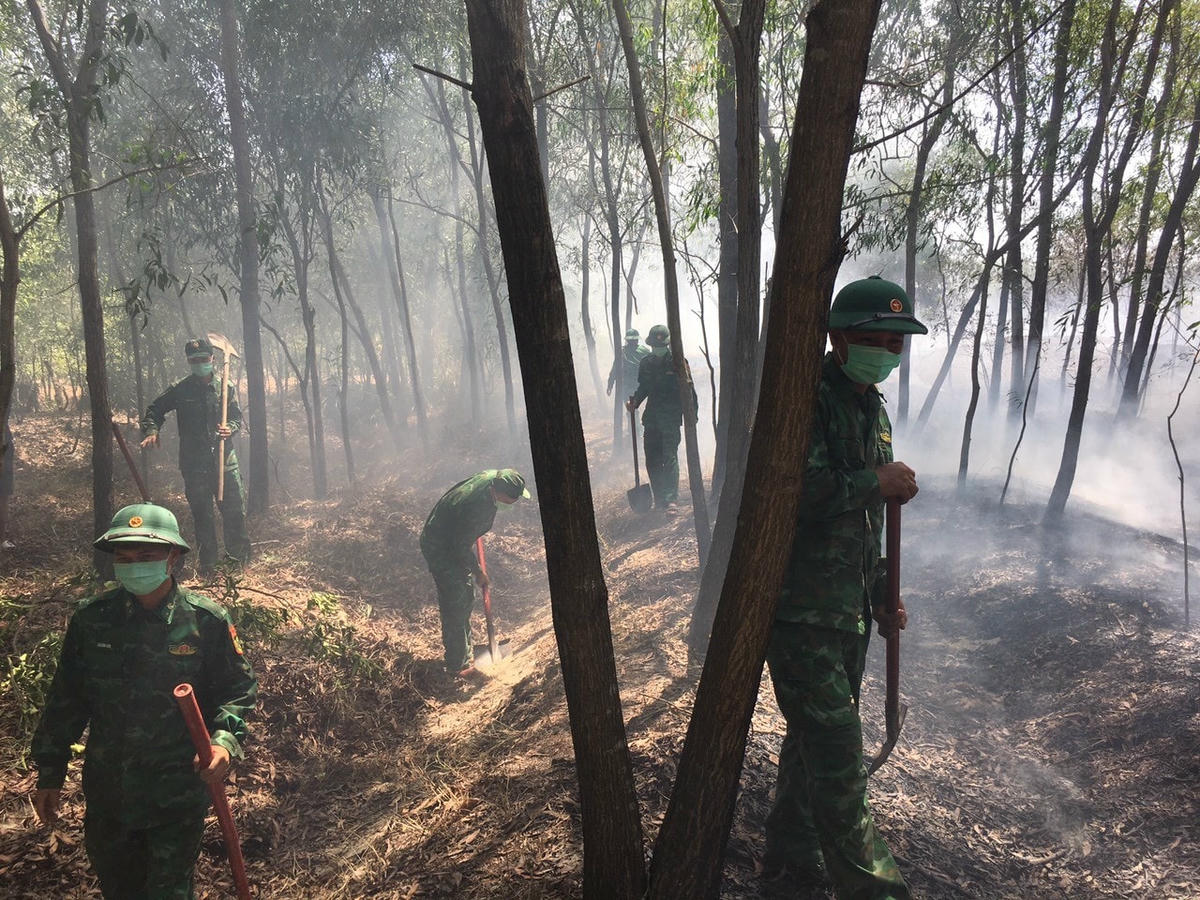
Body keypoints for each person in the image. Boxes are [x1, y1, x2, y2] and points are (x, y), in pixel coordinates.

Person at [763, 275, 925, 899]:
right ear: (836, 337)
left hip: (848, 614)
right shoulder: (807, 399)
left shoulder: (873, 410)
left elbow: (865, 526)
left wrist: (884, 589)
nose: (886, 349)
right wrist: (874, 481)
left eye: (896, 342)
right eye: (873, 338)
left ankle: (789, 871)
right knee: (840, 766)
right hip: (802, 615)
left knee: (810, 754)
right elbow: (791, 491)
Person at [31, 502, 258, 899]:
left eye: (146, 556)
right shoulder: (92, 619)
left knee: (168, 892)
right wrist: (50, 770)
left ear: (172, 557)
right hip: (108, 794)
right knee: (119, 890)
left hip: (175, 794)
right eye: (125, 557)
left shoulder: (205, 620)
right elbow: (66, 698)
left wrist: (224, 742)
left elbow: (238, 689)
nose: (134, 564)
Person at [141, 337, 250, 574]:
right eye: (194, 361)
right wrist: (152, 430)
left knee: (234, 513)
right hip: (194, 465)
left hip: (225, 462)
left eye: (203, 359)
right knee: (203, 517)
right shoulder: (180, 389)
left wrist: (229, 428)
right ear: (189, 362)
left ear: (212, 358)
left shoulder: (226, 387)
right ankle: (209, 568)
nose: (200, 364)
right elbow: (155, 409)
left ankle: (237, 565)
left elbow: (235, 416)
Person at [420, 469, 531, 676]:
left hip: (449, 536)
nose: (515, 501)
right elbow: (459, 546)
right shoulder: (476, 507)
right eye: (512, 498)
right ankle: (457, 665)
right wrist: (477, 571)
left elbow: (463, 536)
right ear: (497, 492)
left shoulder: (492, 477)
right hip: (441, 547)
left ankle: (464, 653)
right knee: (457, 600)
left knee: (465, 595)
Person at [626, 324, 697, 511]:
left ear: (667, 345)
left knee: (670, 457)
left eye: (662, 345)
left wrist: (693, 416)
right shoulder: (646, 363)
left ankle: (670, 499)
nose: (658, 349)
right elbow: (644, 388)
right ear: (650, 345)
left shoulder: (679, 363)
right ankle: (659, 499)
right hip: (651, 420)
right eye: (655, 346)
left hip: (671, 419)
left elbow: (690, 391)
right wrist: (635, 403)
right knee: (652, 459)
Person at [606, 328, 650, 397]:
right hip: (638, 385)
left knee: (630, 405)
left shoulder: (622, 351)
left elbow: (614, 370)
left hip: (629, 385)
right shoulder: (645, 351)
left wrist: (610, 385)